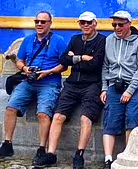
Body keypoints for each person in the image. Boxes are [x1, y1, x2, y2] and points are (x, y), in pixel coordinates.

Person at [33, 11, 106, 169]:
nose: (85, 25)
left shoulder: (102, 41)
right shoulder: (75, 39)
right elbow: (63, 59)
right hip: (72, 83)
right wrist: (82, 57)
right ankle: (51, 154)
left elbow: (95, 64)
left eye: (88, 23)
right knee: (58, 116)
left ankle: (79, 155)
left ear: (95, 24)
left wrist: (75, 57)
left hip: (92, 84)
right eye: (82, 23)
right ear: (79, 24)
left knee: (85, 119)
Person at [0, 10, 67, 164]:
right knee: (11, 107)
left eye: (43, 22)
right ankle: (7, 144)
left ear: (50, 24)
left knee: (43, 114)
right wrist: (25, 69)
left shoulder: (59, 41)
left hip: (49, 82)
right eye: (37, 21)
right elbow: (19, 60)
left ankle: (41, 149)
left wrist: (48, 72)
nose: (39, 24)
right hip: (29, 81)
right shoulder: (27, 40)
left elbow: (64, 65)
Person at [100, 10, 138, 169]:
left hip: (135, 86)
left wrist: (130, 91)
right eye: (114, 25)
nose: (117, 28)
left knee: (133, 117)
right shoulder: (109, 40)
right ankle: (108, 160)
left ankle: (129, 158)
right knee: (110, 119)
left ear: (129, 24)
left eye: (120, 25)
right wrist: (104, 88)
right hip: (115, 84)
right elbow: (105, 67)